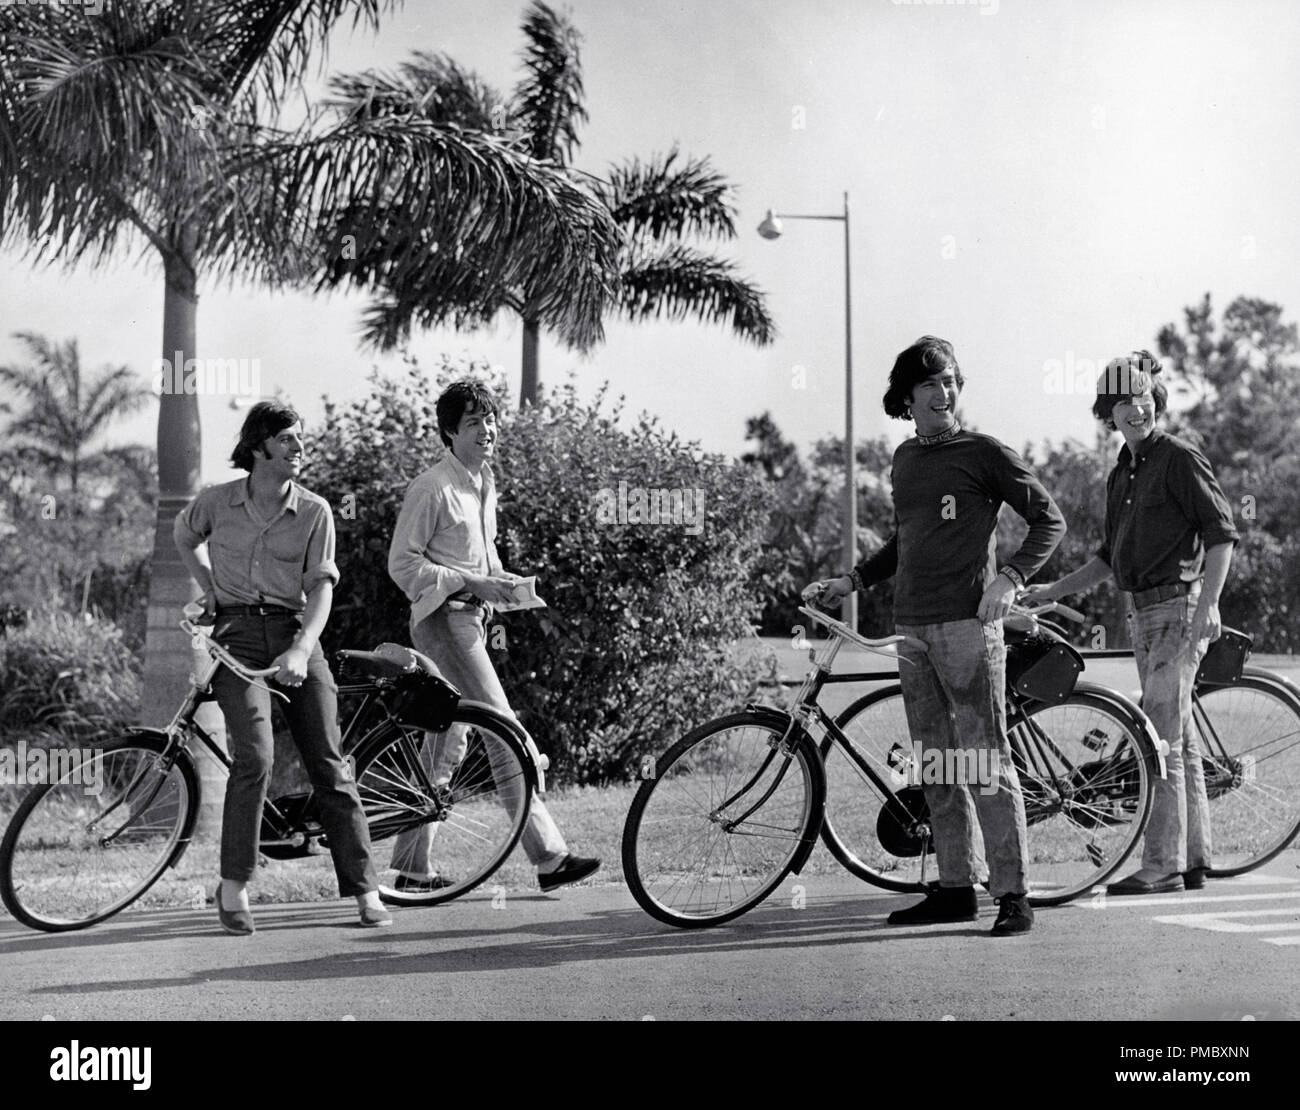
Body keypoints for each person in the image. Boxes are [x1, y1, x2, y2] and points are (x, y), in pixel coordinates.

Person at [807, 336, 1065, 935]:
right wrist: (850, 579)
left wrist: (1009, 578)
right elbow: (906, 542)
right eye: (931, 385)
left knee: (982, 761)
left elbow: (1049, 519)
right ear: (907, 396)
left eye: (950, 382)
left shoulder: (984, 452)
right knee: (938, 764)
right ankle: (956, 887)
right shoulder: (904, 459)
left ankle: (1012, 895)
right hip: (912, 629)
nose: (944, 393)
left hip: (970, 628)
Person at [1024, 351, 1238, 895]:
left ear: (1155, 400)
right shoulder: (1124, 469)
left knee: (1158, 739)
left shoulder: (1179, 457)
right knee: (1180, 740)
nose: (1135, 409)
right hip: (1142, 614)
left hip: (1180, 609)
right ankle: (1194, 861)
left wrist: (1209, 605)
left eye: (1141, 398)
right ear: (1109, 414)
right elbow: (1106, 559)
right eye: (1122, 403)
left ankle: (1160, 866)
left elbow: (1221, 535)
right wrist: (1049, 590)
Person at [174, 401, 392, 933]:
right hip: (237, 638)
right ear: (258, 447)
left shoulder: (316, 511)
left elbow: (320, 592)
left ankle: (365, 892)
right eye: (289, 438)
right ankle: (234, 889)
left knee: (330, 764)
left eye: (300, 438)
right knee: (254, 756)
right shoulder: (217, 502)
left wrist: (299, 652)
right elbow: (184, 535)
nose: (299, 447)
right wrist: (210, 592)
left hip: (297, 633)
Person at [386, 379, 600, 893]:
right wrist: (468, 581)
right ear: (449, 433)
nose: (488, 430)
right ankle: (550, 857)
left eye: (491, 420)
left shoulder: (483, 483)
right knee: (501, 727)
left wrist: (502, 583)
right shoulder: (431, 487)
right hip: (444, 621)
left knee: (447, 738)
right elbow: (402, 564)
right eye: (475, 423)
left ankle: (412, 869)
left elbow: (481, 557)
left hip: (471, 619)